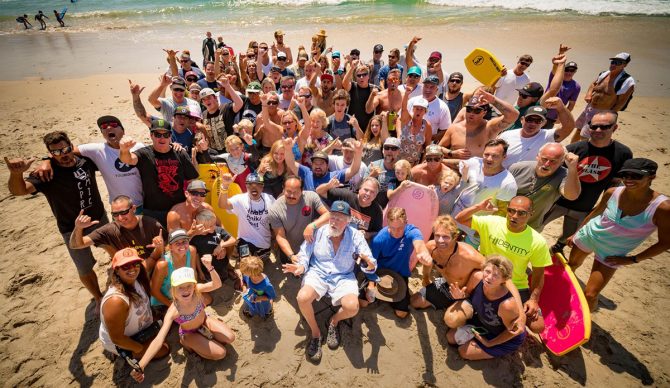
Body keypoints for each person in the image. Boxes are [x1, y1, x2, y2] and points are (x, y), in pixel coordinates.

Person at [6, 131, 108, 311]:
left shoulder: (85, 161)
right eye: (57, 152)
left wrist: (46, 158)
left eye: (66, 149)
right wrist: (16, 174)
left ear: (71, 145)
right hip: (70, 227)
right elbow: (20, 191)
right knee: (84, 268)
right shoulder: (46, 173)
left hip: (98, 218)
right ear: (50, 153)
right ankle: (98, 297)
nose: (64, 155)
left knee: (114, 248)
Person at [569, 158, 669, 311]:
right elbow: (596, 212)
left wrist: (632, 259)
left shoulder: (662, 208)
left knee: (590, 295)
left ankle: (585, 326)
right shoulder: (612, 192)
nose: (628, 179)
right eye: (625, 175)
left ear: (651, 177)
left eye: (636, 176)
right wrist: (577, 232)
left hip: (612, 253)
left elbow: (665, 243)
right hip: (588, 235)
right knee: (571, 267)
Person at [282, 201, 377, 362]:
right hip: (318, 272)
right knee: (302, 298)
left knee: (352, 307)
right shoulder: (318, 232)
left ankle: (334, 321)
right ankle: (316, 333)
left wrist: (369, 264)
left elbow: (370, 264)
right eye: (332, 217)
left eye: (340, 219)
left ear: (348, 221)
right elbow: (304, 255)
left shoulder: (356, 237)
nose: (334, 222)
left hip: (343, 276)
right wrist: (300, 267)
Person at [455, 196, 551, 333]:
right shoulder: (492, 222)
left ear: (531, 214)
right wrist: (478, 208)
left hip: (517, 285)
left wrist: (533, 299)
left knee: (538, 327)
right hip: (488, 277)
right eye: (511, 211)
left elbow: (538, 274)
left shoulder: (538, 242)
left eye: (521, 213)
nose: (514, 216)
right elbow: (460, 219)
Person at [542, 111, 633, 254]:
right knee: (537, 225)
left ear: (614, 128)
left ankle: (556, 250)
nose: (598, 130)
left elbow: (614, 184)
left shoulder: (623, 153)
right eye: (594, 126)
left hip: (584, 207)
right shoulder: (573, 149)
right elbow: (553, 175)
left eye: (604, 127)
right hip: (557, 201)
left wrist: (603, 208)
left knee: (567, 236)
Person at [131, 265, 235, 383]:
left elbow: (217, 284)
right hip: (189, 333)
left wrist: (210, 267)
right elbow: (159, 339)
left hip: (204, 321)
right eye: (180, 287)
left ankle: (205, 341)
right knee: (221, 353)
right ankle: (187, 343)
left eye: (189, 286)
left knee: (230, 338)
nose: (186, 290)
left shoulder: (197, 291)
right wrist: (142, 365)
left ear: (194, 286)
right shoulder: (174, 310)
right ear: (173, 289)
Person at [119, 118, 200, 228]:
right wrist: (124, 150)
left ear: (170, 136)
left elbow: (192, 180)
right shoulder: (144, 154)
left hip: (178, 209)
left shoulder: (180, 153)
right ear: (151, 135)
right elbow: (128, 159)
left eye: (165, 134)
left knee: (181, 241)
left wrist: (191, 204)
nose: (162, 138)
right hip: (153, 212)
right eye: (157, 134)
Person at [446, 255, 526, 360]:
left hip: (501, 336)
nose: (488, 277)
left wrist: (489, 343)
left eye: (496, 275)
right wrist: (460, 297)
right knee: (450, 338)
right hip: (482, 322)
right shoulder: (477, 277)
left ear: (504, 280)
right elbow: (468, 296)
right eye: (487, 271)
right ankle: (475, 334)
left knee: (463, 352)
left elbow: (513, 332)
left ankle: (489, 346)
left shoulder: (507, 305)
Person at [99, 248, 169, 360]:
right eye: (125, 266)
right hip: (125, 341)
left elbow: (151, 259)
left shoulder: (137, 278)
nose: (132, 268)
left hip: (141, 326)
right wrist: (139, 349)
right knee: (164, 349)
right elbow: (117, 338)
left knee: (167, 320)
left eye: (135, 263)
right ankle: (125, 354)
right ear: (116, 270)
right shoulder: (116, 301)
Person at [449, 139, 518, 246]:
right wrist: (439, 160)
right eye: (487, 154)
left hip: (474, 229)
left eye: (495, 156)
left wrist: (484, 228)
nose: (489, 159)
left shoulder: (508, 183)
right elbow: (459, 164)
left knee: (464, 257)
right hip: (454, 217)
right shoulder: (474, 162)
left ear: (504, 157)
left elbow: (502, 212)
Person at [70, 195, 164, 273]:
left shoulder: (151, 224)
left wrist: (160, 246)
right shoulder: (110, 230)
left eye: (124, 212)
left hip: (154, 268)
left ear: (134, 209)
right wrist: (78, 228)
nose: (120, 218)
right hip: (129, 272)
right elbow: (76, 245)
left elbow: (168, 248)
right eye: (115, 214)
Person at [368, 208, 432, 318]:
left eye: (400, 228)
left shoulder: (412, 231)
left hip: (399, 274)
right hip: (381, 272)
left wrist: (423, 253)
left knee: (402, 313)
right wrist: (371, 284)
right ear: (387, 223)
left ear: (406, 222)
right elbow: (370, 263)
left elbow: (419, 243)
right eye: (392, 228)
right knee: (364, 302)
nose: (396, 232)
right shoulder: (379, 239)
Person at [509, 143, 581, 230]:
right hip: (504, 220)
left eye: (553, 161)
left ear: (561, 162)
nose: (547, 164)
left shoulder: (564, 175)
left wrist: (572, 168)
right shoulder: (518, 168)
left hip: (531, 227)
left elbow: (572, 196)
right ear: (537, 156)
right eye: (544, 159)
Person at [268, 175, 330, 264]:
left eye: (295, 192)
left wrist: (312, 226)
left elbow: (328, 214)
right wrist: (291, 255)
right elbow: (280, 236)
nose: (291, 195)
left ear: (302, 190)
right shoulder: (274, 209)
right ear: (283, 189)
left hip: (310, 246)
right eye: (288, 191)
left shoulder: (311, 196)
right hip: (290, 249)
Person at [439, 91, 519, 159]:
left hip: (478, 173)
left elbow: (513, 115)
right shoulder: (454, 128)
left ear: (484, 113)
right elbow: (437, 148)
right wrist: (452, 153)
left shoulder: (489, 127)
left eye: (477, 111)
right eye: (469, 110)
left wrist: (493, 100)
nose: (471, 114)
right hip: (454, 170)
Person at [574, 53, 635, 141]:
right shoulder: (604, 74)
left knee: (585, 137)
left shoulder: (626, 81)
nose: (613, 64)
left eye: (618, 63)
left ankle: (581, 153)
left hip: (601, 113)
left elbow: (621, 103)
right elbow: (593, 84)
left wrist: (607, 117)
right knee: (578, 129)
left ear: (625, 65)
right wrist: (588, 94)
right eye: (613, 62)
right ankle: (571, 148)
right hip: (589, 108)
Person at [498, 101, 575, 169]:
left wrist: (561, 108)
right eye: (529, 119)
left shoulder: (547, 136)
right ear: (522, 120)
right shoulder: (506, 135)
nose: (532, 124)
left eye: (538, 121)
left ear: (544, 123)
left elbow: (568, 127)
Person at [218, 173, 276, 260]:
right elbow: (223, 205)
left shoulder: (269, 199)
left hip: (264, 244)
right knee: (246, 265)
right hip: (245, 240)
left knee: (258, 267)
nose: (254, 187)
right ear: (246, 186)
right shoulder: (240, 199)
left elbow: (278, 218)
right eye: (250, 185)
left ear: (262, 186)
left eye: (257, 185)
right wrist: (225, 187)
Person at [317, 176, 383, 240]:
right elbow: (319, 191)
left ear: (376, 195)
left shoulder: (377, 210)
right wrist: (329, 185)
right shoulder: (346, 196)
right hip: (337, 237)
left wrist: (367, 234)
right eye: (366, 190)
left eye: (372, 192)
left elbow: (378, 232)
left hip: (357, 243)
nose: (368, 194)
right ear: (359, 189)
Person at [150, 229, 202, 309]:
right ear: (170, 247)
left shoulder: (191, 251)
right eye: (177, 243)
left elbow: (193, 273)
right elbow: (154, 291)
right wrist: (174, 306)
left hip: (184, 295)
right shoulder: (163, 264)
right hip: (164, 302)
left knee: (207, 299)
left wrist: (193, 295)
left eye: (184, 242)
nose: (182, 246)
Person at [188, 209, 238, 285]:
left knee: (223, 277)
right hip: (206, 268)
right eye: (210, 226)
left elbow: (233, 240)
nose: (214, 227)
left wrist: (221, 245)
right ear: (202, 227)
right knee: (212, 281)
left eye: (214, 224)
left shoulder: (218, 231)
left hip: (222, 264)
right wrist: (200, 271)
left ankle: (228, 270)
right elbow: (196, 256)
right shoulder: (196, 238)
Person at [407, 75, 451, 143]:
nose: (428, 90)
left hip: (428, 144)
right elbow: (400, 119)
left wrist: (428, 138)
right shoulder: (412, 101)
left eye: (432, 87)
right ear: (422, 87)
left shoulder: (442, 107)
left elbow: (445, 130)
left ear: (437, 89)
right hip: (407, 142)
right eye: (426, 86)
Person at [397, 94, 432, 166]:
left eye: (421, 109)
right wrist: (406, 93)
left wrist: (422, 164)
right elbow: (403, 108)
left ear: (425, 111)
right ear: (413, 109)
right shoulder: (407, 119)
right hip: (398, 162)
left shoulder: (427, 126)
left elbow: (427, 147)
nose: (418, 111)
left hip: (414, 164)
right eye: (417, 108)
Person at [544, 60, 581, 128]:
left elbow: (571, 104)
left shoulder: (576, 87)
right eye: (567, 70)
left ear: (575, 72)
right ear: (563, 70)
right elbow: (555, 68)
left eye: (572, 70)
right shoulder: (554, 78)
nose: (569, 72)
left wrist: (561, 117)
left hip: (552, 117)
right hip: (542, 110)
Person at [366, 137, 401, 208]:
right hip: (373, 207)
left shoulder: (402, 169)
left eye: (394, 148)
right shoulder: (373, 166)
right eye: (386, 147)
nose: (389, 151)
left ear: (399, 152)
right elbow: (362, 187)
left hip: (392, 209)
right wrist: (372, 176)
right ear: (382, 150)